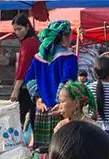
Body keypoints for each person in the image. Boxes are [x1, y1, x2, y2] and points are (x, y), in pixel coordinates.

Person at [24, 19, 78, 148]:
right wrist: (60, 102)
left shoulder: (38, 59)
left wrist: (38, 99)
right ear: (64, 38)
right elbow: (67, 82)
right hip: (61, 113)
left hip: (41, 112)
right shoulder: (69, 59)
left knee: (42, 154)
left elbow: (29, 79)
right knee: (61, 152)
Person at [9, 14, 39, 130]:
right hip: (38, 87)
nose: (17, 32)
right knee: (34, 117)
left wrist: (15, 90)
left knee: (16, 119)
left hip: (27, 87)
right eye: (15, 30)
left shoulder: (28, 43)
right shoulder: (37, 41)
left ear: (27, 26)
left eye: (19, 29)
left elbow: (23, 68)